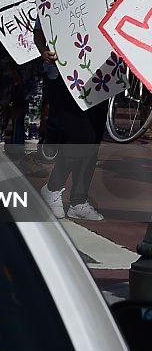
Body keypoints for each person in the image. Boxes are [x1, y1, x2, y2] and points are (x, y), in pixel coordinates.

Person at [34, 21, 108, 221]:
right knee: (80, 137)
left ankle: (78, 201)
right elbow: (38, 32)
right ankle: (52, 189)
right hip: (63, 75)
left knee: (93, 139)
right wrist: (43, 51)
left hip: (100, 73)